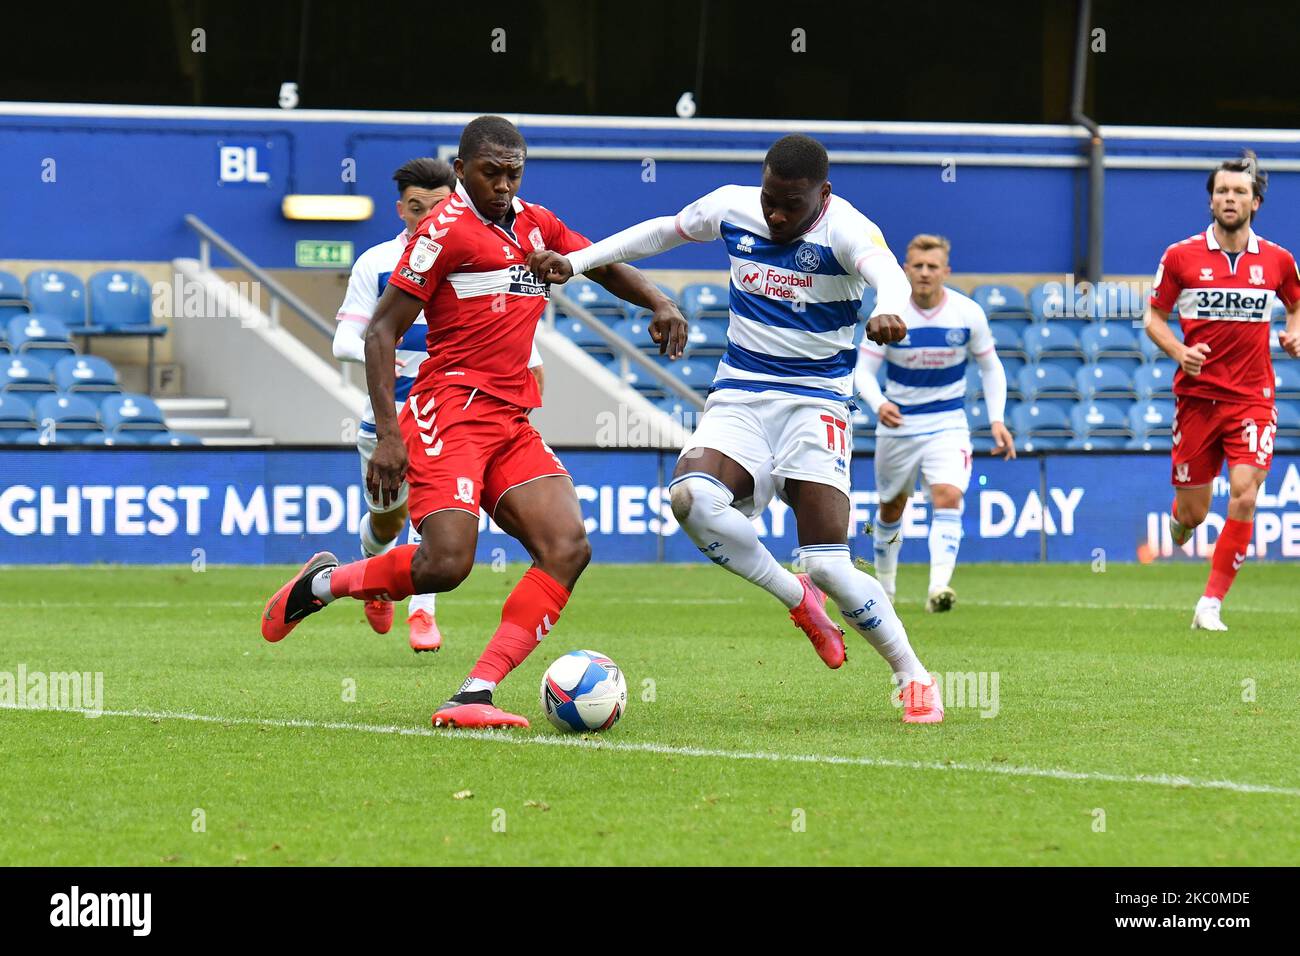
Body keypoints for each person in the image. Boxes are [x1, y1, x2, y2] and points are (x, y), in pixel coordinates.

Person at [262, 116, 688, 728]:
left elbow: (597, 260)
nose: (505, 184)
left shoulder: (537, 222)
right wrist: (388, 434)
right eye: (492, 172)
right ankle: (323, 585)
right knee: (447, 565)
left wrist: (660, 301)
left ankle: (473, 694)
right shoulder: (443, 233)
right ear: (461, 171)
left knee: (567, 546)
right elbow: (381, 333)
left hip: (510, 418)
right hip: (449, 410)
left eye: (514, 172)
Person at [529, 134, 944, 723]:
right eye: (770, 199)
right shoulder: (733, 206)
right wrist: (575, 262)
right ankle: (797, 598)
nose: (775, 214)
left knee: (827, 561)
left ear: (823, 194)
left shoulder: (848, 229)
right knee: (691, 499)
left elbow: (889, 275)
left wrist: (890, 308)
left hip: (816, 402)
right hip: (741, 395)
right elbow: (662, 231)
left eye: (791, 205)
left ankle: (912, 674)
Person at [332, 156, 544, 652]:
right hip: (388, 419)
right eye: (413, 207)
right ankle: (373, 569)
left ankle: (422, 614)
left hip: (454, 415)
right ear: (400, 209)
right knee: (388, 520)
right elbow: (348, 340)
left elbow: (518, 341)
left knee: (441, 519)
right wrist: (410, 355)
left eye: (435, 205)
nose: (423, 215)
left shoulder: (475, 252)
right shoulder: (377, 263)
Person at [1145, 150, 1300, 630]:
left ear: (1255, 202)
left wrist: (1295, 329)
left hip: (1253, 398)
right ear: (1211, 201)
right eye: (1221, 192)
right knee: (1192, 514)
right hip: (1196, 400)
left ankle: (1210, 603)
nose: (1229, 198)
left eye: (1238, 192)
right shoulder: (1180, 256)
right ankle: (1181, 519)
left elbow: (1297, 304)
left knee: (1245, 494)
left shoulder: (1277, 260)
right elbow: (1154, 317)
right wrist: (1178, 352)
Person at [855, 234, 1015, 612]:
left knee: (948, 496)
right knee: (891, 508)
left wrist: (997, 419)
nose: (925, 273)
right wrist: (879, 404)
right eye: (918, 266)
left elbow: (991, 368)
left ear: (946, 271)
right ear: (906, 269)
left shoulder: (967, 313)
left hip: (947, 424)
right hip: (898, 426)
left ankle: (938, 588)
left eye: (932, 267)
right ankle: (886, 590)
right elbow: (862, 371)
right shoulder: (889, 315)